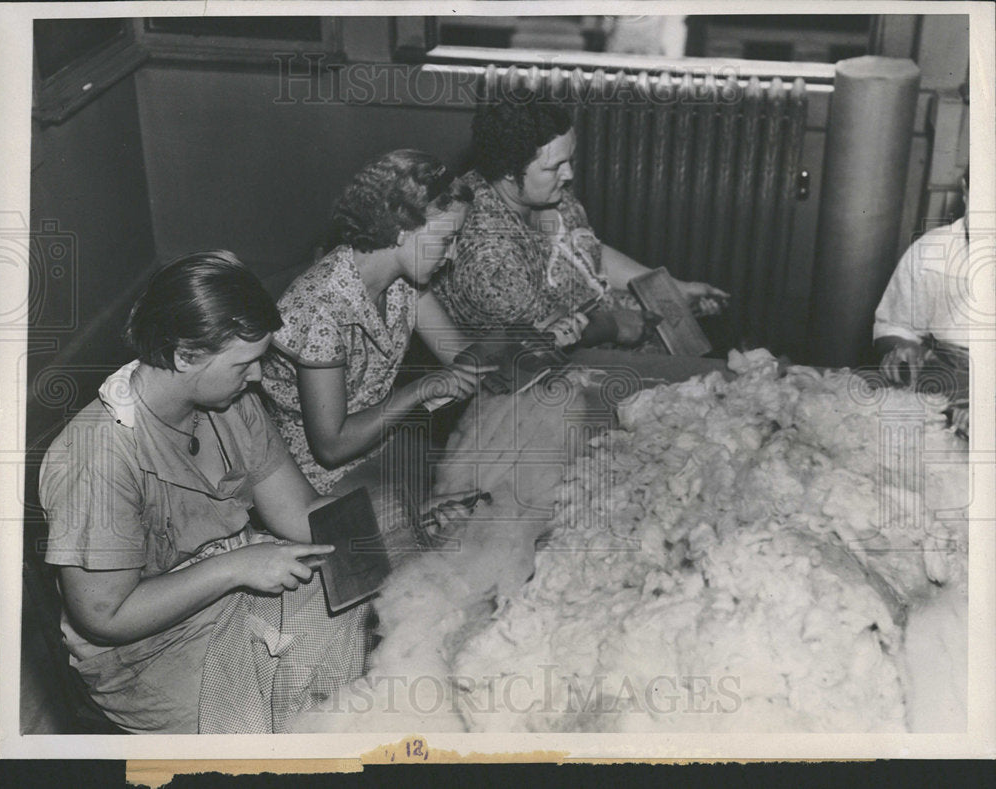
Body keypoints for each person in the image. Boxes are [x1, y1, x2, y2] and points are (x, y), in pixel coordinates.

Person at [39, 252, 365, 733]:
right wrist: (236, 567)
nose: (256, 377)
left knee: (348, 642)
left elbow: (300, 512)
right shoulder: (98, 456)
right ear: (185, 355)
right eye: (244, 364)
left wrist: (385, 530)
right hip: (146, 651)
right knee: (277, 731)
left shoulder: (231, 404)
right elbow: (105, 616)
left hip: (230, 586)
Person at [262, 150, 497, 497]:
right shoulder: (320, 308)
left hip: (382, 450)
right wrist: (419, 390)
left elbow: (459, 353)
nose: (454, 255)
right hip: (316, 484)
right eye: (448, 239)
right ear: (403, 229)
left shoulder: (406, 279)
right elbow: (332, 447)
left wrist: (519, 346)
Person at [431, 95, 729, 347]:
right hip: (544, 362)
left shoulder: (541, 190)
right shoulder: (488, 253)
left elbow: (589, 252)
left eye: (569, 160)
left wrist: (673, 287)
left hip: (604, 317)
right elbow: (547, 333)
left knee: (713, 335)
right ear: (509, 170)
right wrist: (616, 326)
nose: (569, 174)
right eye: (555, 166)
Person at [874, 168, 971, 434]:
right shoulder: (930, 252)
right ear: (965, 191)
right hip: (940, 390)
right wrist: (903, 346)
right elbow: (893, 327)